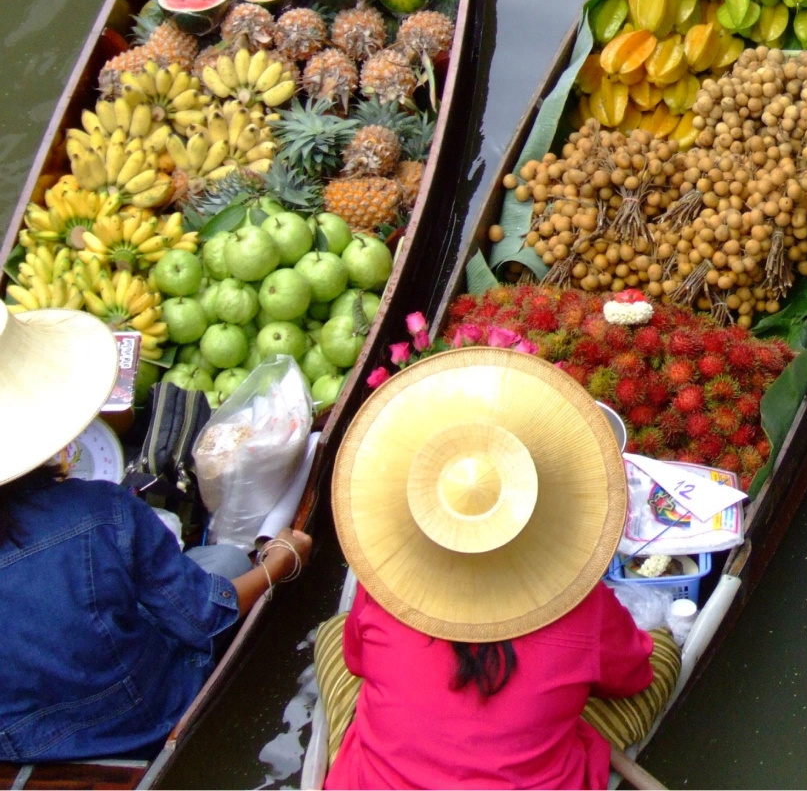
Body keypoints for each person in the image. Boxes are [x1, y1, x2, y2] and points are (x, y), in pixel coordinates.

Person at [321, 347, 678, 790]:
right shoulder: (584, 609)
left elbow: (356, 661)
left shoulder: (383, 590)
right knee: (661, 652)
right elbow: (633, 677)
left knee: (331, 637)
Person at [0, 304, 312, 763]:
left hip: (18, 745)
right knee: (225, 563)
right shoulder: (101, 511)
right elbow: (203, 615)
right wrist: (279, 563)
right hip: (141, 717)